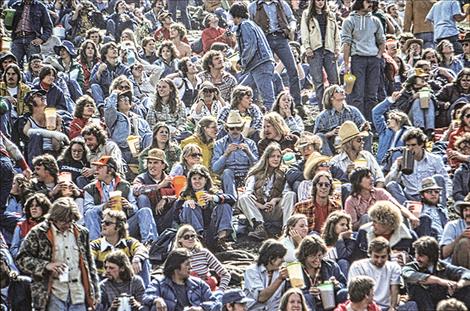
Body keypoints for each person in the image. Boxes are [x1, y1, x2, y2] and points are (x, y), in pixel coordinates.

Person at [16, 197, 100, 311]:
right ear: (54, 218)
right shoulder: (38, 233)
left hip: (79, 294)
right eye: (64, 221)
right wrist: (46, 266)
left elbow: (90, 265)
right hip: (52, 295)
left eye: (71, 221)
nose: (67, 224)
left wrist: (95, 293)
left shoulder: (82, 233)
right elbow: (21, 259)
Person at [83, 155, 158, 243]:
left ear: (110, 171)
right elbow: (87, 209)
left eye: (100, 167)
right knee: (90, 213)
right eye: (96, 167)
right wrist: (103, 206)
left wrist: (129, 206)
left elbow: (135, 208)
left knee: (145, 211)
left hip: (123, 225)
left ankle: (149, 244)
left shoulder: (125, 185)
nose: (96, 170)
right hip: (103, 225)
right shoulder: (90, 188)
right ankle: (95, 246)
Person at [247, 0, 301, 110]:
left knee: (293, 69)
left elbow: (291, 19)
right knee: (267, 72)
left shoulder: (281, 4)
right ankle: (270, 103)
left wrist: (291, 28)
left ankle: (296, 103)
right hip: (264, 40)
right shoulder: (253, 6)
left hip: (281, 38)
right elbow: (250, 25)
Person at [238, 143, 295, 239]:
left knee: (291, 194)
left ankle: (286, 229)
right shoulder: (255, 175)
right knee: (243, 197)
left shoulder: (283, 174)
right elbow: (248, 193)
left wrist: (274, 201)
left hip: (276, 210)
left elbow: (286, 192)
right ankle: (259, 227)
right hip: (259, 211)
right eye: (273, 156)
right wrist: (261, 205)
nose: (276, 159)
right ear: (267, 158)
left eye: (278, 156)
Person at [341, 0, 386, 121]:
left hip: (373, 59)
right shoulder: (349, 20)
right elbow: (346, 43)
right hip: (357, 59)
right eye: (368, 1)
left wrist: (379, 55)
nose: (371, 4)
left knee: (372, 95)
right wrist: (346, 64)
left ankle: (371, 123)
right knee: (358, 95)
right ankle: (359, 123)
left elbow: (382, 40)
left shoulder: (375, 20)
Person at [386, 128, 450, 206]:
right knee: (391, 185)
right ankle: (408, 210)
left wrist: (446, 197)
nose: (410, 148)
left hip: (430, 195)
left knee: (439, 178)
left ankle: (440, 210)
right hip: (410, 197)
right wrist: (397, 169)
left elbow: (446, 180)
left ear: (421, 144)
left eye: (413, 145)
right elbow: (387, 183)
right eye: (407, 145)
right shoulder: (402, 160)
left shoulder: (435, 159)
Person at [230, 1, 276, 111]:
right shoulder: (252, 24)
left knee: (268, 99)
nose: (232, 20)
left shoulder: (245, 25)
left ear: (236, 16)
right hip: (257, 65)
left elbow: (250, 45)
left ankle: (273, 121)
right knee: (240, 93)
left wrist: (243, 61)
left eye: (232, 17)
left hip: (260, 64)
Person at [402, 236, 470, 310]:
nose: (417, 258)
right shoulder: (412, 266)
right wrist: (440, 281)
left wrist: (458, 285)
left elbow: (466, 273)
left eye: (421, 256)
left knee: (465, 289)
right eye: (416, 254)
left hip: (441, 303)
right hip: (422, 305)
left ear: (431, 256)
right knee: (418, 289)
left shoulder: (443, 266)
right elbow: (410, 275)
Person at [348, 237, 416, 311]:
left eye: (383, 257)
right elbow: (356, 292)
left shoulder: (394, 267)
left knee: (412, 305)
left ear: (388, 255)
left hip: (387, 307)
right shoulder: (358, 266)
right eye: (376, 257)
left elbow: (394, 289)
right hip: (366, 306)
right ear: (370, 254)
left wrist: (392, 307)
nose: (379, 261)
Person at [142, 248, 221, 311]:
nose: (191, 267)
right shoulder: (159, 283)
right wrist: (157, 299)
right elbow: (146, 296)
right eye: (187, 264)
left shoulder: (199, 284)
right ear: (175, 267)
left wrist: (201, 308)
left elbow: (216, 303)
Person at [178, 165, 235, 250]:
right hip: (193, 235)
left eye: (200, 178)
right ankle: (198, 239)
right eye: (194, 179)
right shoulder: (185, 195)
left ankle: (222, 240)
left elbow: (232, 199)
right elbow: (175, 215)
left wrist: (213, 198)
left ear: (206, 180)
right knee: (187, 205)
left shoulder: (214, 192)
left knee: (225, 205)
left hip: (212, 230)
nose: (197, 181)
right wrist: (186, 204)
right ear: (190, 181)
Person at [344, 167, 418, 231]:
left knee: (399, 213)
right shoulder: (350, 201)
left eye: (371, 176)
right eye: (368, 177)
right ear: (358, 181)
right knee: (366, 217)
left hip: (387, 226)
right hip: (367, 232)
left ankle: (407, 241)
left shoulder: (380, 192)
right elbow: (351, 226)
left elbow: (398, 206)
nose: (372, 179)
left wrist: (411, 216)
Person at [90, 209, 150, 286]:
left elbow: (141, 249)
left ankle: (146, 295)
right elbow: (89, 254)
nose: (103, 225)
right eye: (102, 222)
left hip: (127, 282)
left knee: (143, 260)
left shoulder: (129, 242)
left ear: (118, 227)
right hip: (104, 285)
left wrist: (137, 259)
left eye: (107, 223)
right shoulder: (96, 245)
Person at [300, 0, 340, 109]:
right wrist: (307, 47)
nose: (320, 2)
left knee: (334, 81)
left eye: (323, 0)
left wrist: (337, 48)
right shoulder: (307, 14)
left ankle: (337, 105)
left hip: (329, 49)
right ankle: (322, 108)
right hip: (315, 50)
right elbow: (304, 31)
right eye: (318, 0)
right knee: (318, 82)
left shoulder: (330, 14)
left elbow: (336, 33)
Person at [212, 110, 259, 198]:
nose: (235, 131)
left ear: (241, 129)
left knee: (253, 176)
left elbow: (257, 167)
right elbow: (215, 169)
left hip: (246, 176)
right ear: (227, 129)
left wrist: (249, 153)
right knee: (227, 172)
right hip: (228, 178)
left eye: (238, 128)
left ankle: (246, 199)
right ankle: (232, 200)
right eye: (232, 128)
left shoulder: (250, 143)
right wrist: (226, 154)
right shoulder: (219, 144)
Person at [296, 235, 348, 310]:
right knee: (308, 297)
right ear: (304, 256)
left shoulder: (330, 265)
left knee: (344, 293)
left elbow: (344, 284)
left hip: (329, 304)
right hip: (308, 306)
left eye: (319, 255)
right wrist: (308, 292)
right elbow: (291, 292)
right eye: (313, 256)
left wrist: (337, 285)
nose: (317, 259)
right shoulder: (296, 269)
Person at [313, 85, 368, 156]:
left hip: (353, 142)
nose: (342, 91)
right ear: (331, 97)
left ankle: (364, 157)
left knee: (368, 135)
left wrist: (365, 127)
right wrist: (331, 133)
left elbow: (362, 125)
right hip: (332, 146)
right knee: (320, 136)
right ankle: (329, 162)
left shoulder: (353, 111)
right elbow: (315, 137)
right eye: (337, 91)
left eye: (342, 90)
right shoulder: (322, 116)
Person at [173, 225, 231, 291]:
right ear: (179, 240)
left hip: (208, 292)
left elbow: (225, 274)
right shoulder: (176, 256)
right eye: (186, 237)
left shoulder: (204, 252)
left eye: (193, 236)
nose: (190, 238)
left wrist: (220, 291)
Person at [133, 148, 175, 234]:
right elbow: (136, 190)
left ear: (163, 165)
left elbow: (180, 196)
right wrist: (158, 186)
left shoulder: (170, 180)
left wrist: (166, 199)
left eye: (155, 163)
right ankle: (150, 235)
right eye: (150, 163)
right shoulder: (141, 178)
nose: (152, 166)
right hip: (146, 219)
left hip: (165, 217)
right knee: (142, 198)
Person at [330, 121, 384, 187]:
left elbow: (380, 178)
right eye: (359, 140)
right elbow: (335, 186)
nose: (362, 142)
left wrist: (376, 195)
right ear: (349, 143)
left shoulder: (367, 156)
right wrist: (346, 174)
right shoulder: (335, 161)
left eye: (362, 139)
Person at [243, 239, 288, 310]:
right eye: (280, 257)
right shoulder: (252, 271)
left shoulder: (280, 271)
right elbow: (261, 297)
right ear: (270, 258)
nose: (283, 260)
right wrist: (279, 279)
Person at [372, 91, 412, 168]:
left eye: (391, 119)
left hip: (398, 166)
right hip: (381, 165)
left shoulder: (408, 133)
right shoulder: (383, 131)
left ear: (399, 120)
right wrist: (390, 101)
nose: (388, 120)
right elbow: (375, 112)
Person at [10, 0, 53, 68]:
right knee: (13, 66)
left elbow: (48, 27)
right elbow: (8, 24)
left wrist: (42, 39)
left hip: (33, 39)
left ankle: (34, 78)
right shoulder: (15, 5)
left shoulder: (40, 6)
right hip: (17, 39)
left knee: (35, 66)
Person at [90, 42, 131, 108]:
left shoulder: (124, 68)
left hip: (120, 94)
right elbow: (92, 82)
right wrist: (99, 72)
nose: (115, 50)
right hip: (104, 95)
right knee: (94, 86)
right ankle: (101, 108)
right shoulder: (98, 66)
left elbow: (130, 81)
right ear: (105, 53)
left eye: (115, 48)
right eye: (112, 48)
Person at [10, 193, 50, 258]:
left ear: (44, 208)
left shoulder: (50, 226)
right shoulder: (21, 226)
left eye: (37, 205)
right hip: (25, 263)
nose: (33, 208)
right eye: (31, 206)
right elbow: (14, 248)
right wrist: (23, 259)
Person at [440, 193, 470, 269]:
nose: (468, 213)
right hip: (454, 268)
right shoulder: (452, 225)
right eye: (466, 210)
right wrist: (460, 237)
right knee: (464, 242)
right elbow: (443, 254)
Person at [321, 211, 354, 276]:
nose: (346, 228)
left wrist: (340, 238)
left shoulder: (350, 241)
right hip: (328, 271)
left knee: (342, 262)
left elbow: (343, 256)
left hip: (343, 271)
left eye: (347, 225)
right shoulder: (323, 240)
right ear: (333, 226)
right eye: (342, 225)